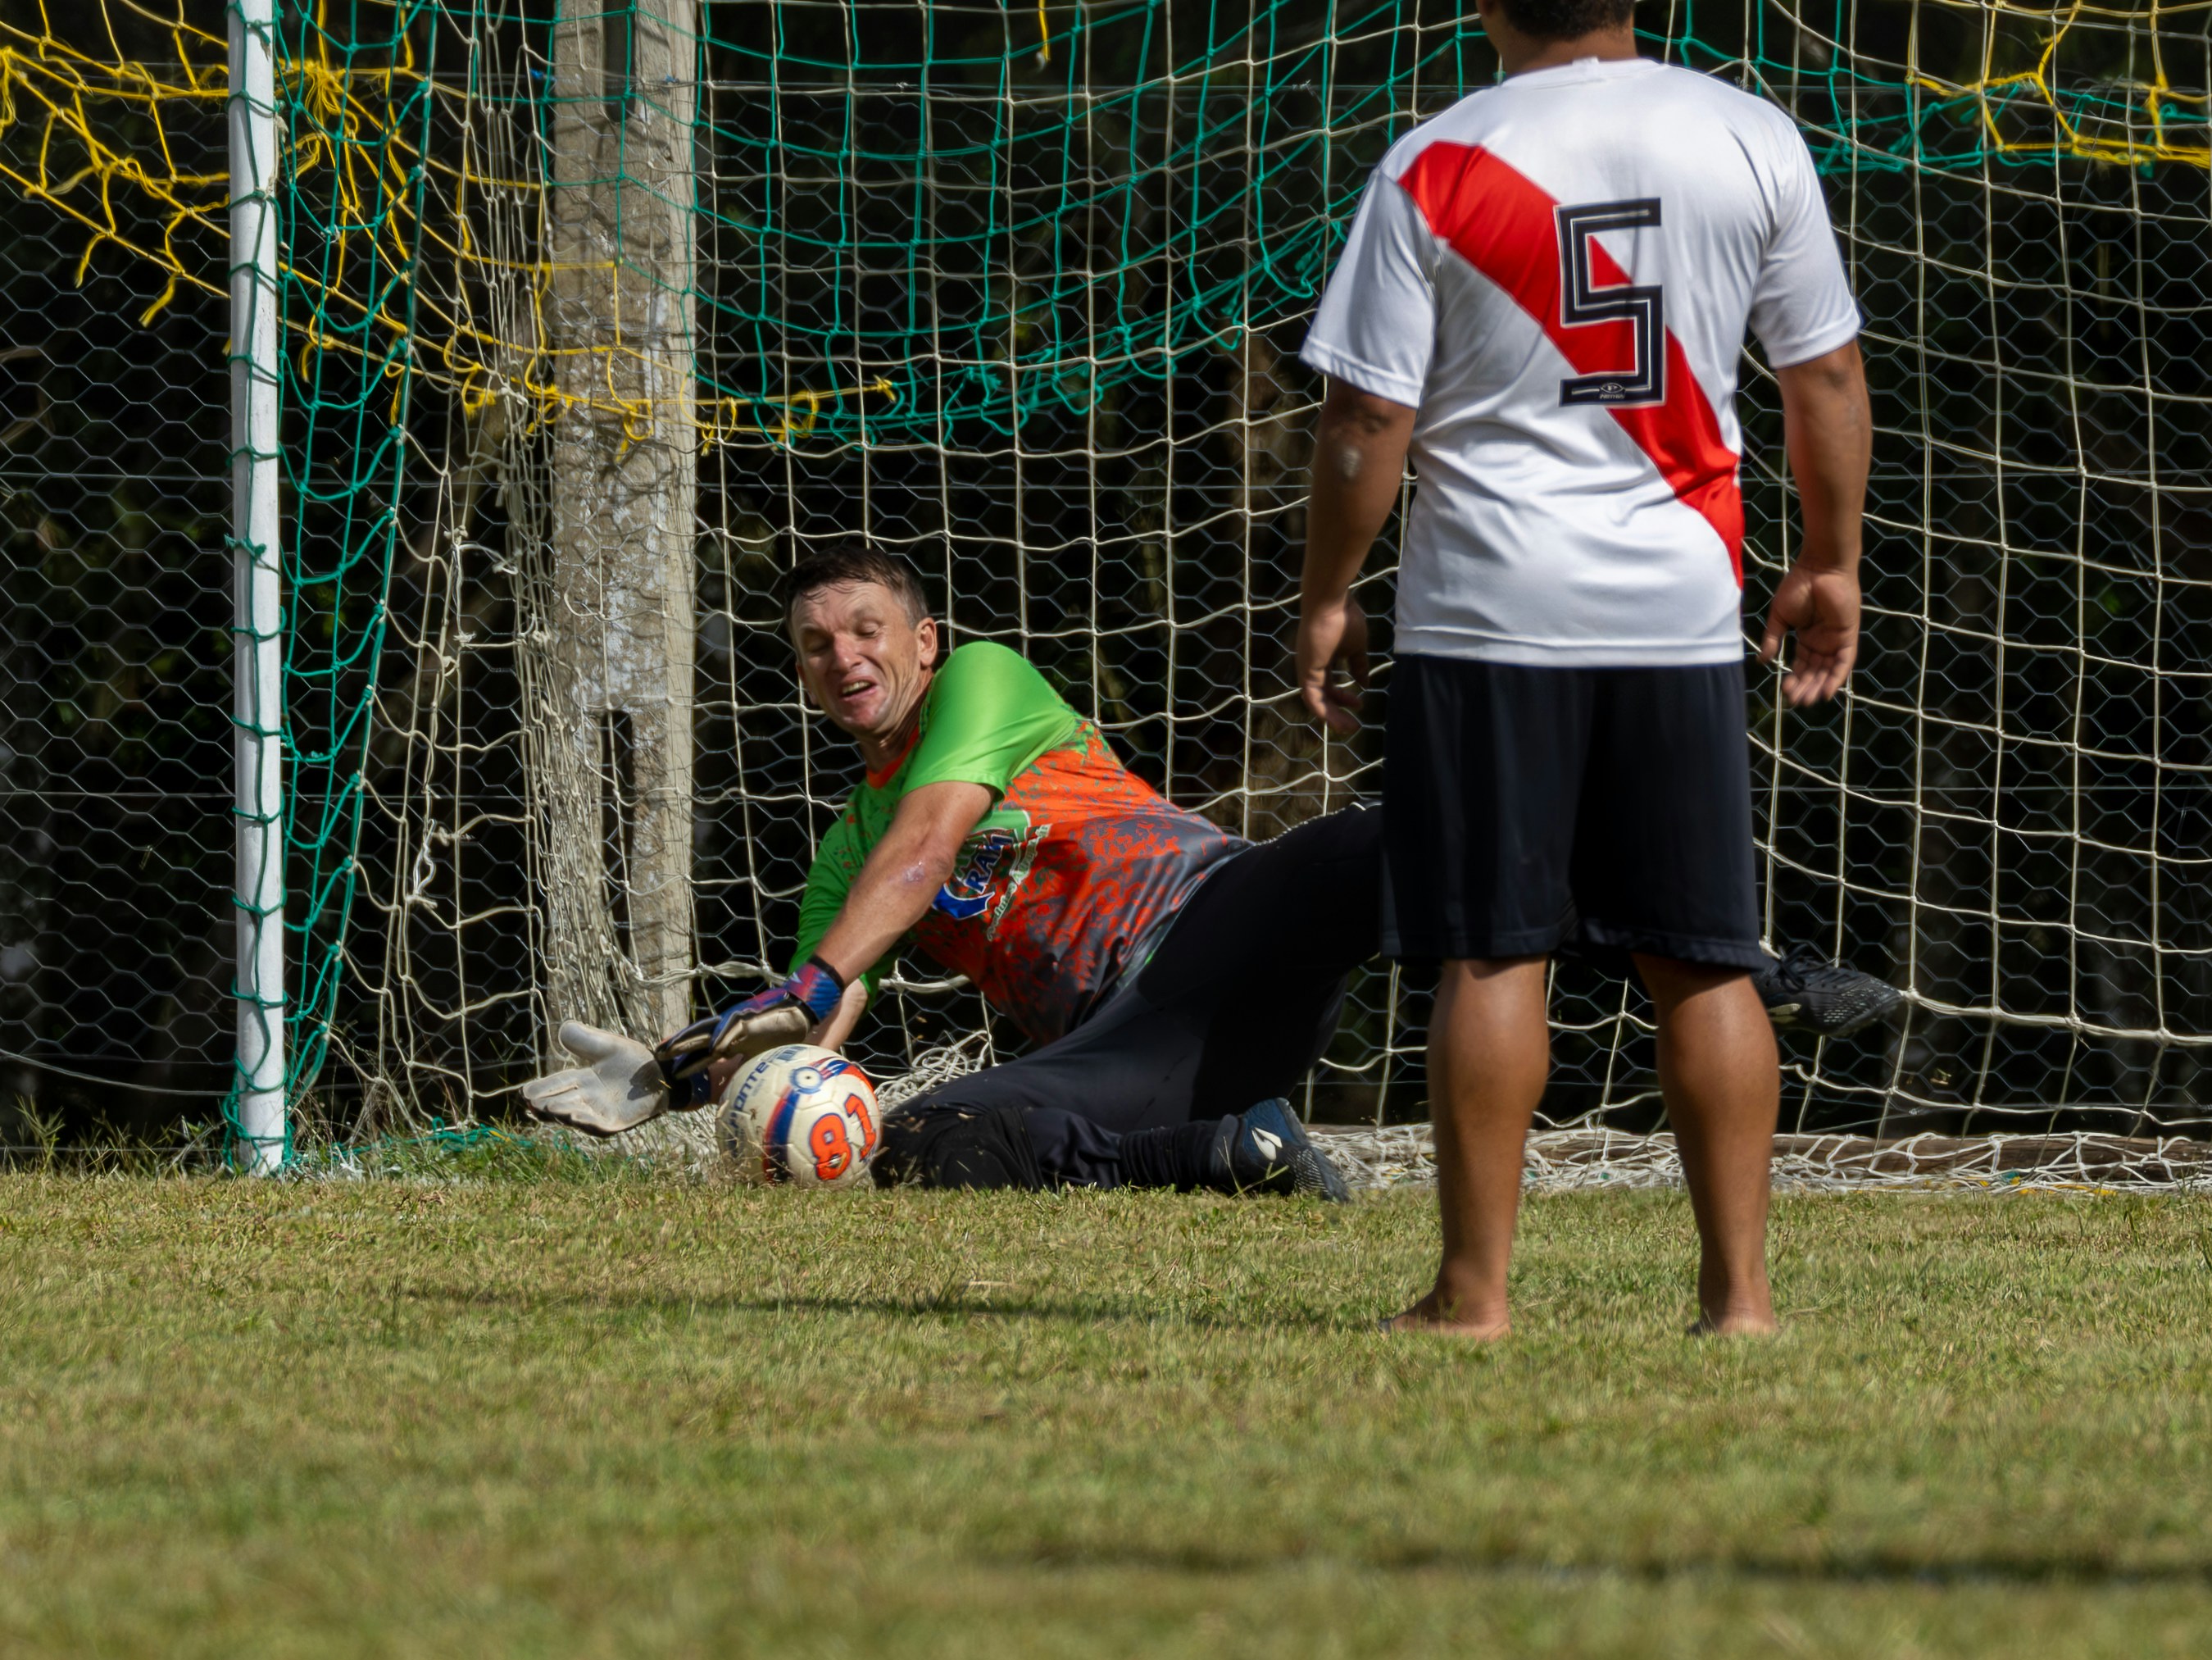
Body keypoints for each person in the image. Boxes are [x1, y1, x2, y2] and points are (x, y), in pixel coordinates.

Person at [525, 547, 1892, 1197]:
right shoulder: (840, 858)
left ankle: (1756, 964)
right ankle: (1239, 1147)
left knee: (1403, 842)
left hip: (1222, 913)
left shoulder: (984, 687)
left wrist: (823, 968)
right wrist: (693, 1066)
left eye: (865, 631)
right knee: (936, 1143)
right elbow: (823, 1017)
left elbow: (928, 851)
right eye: (816, 647)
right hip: (1153, 1037)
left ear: (926, 641)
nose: (843, 660)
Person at [1293, 0, 1871, 1332]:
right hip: (1678, 607)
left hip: (1489, 610)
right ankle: (1741, 1300)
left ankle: (1473, 1294)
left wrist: (1329, 592)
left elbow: (1367, 414)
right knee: (1705, 959)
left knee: (1493, 958)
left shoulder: (1433, 159)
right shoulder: (1749, 133)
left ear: (1489, 3)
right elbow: (1826, 377)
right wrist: (1828, 561)